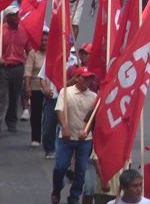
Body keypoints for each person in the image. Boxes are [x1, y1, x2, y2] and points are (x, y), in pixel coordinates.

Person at [52, 67, 98, 204]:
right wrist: (64, 127)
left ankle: (74, 197)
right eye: (84, 77)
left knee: (81, 171)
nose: (87, 81)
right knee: (60, 167)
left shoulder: (94, 97)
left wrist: (86, 130)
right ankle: (57, 189)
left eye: (90, 78)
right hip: (66, 138)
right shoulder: (66, 92)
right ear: (77, 78)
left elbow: (92, 117)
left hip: (84, 140)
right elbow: (59, 110)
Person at [0, 4, 28, 139]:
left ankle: (11, 121)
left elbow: (28, 49)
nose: (18, 18)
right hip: (3, 68)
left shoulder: (24, 31)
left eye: (18, 15)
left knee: (14, 96)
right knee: (0, 97)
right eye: (15, 15)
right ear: (8, 17)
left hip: (18, 68)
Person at [24, 29, 49, 148]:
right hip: (36, 87)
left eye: (46, 40)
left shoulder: (53, 53)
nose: (44, 42)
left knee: (49, 115)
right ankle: (35, 138)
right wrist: (27, 87)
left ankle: (48, 138)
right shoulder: (33, 53)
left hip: (49, 89)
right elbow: (28, 71)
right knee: (36, 114)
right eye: (42, 40)